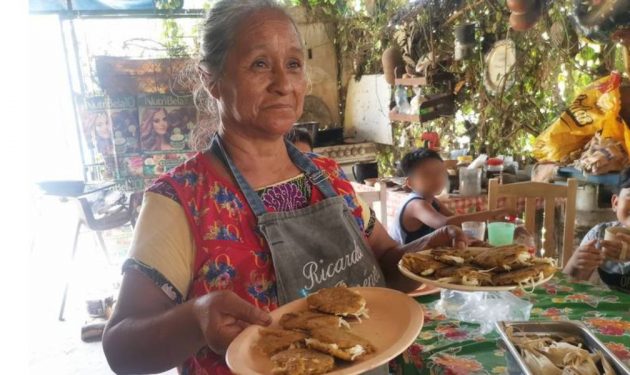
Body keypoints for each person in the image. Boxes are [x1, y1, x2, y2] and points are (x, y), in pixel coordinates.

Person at [102, 2, 466, 374]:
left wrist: (428, 256)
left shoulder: (328, 176)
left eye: (293, 64)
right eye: (260, 64)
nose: (283, 84)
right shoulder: (181, 199)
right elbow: (121, 349)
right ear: (211, 79)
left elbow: (386, 266)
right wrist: (196, 319)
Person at [391, 148, 511, 244]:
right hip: (405, 265)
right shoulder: (416, 204)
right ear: (410, 183)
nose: (437, 178)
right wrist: (492, 214)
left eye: (440, 172)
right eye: (427, 175)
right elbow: (445, 223)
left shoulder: (433, 201)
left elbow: (456, 221)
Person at [563, 168, 630, 290]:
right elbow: (568, 285)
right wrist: (575, 263)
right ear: (615, 203)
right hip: (608, 307)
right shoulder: (599, 235)